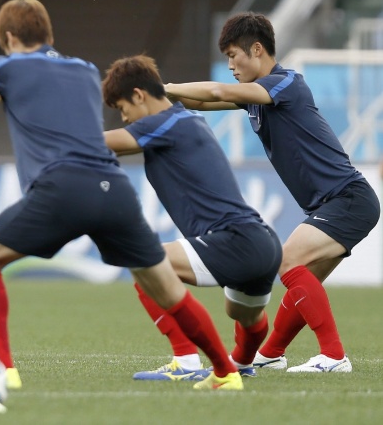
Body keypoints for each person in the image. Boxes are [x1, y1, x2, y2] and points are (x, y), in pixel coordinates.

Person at [0, 0, 242, 391]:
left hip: (61, 187)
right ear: (48, 34)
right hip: (114, 188)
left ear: (9, 38)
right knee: (165, 286)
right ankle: (225, 372)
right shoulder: (84, 69)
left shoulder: (7, 66)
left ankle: (4, 369)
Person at [165, 12, 380, 373]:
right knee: (302, 279)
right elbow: (202, 102)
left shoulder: (284, 83)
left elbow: (216, 91)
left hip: (349, 198)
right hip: (335, 203)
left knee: (286, 261)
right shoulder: (257, 98)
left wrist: (166, 87)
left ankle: (333, 356)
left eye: (234, 55)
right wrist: (162, 97)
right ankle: (269, 355)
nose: (230, 65)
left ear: (258, 49)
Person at [101, 55, 282, 381]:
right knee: (243, 315)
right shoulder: (187, 120)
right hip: (263, 244)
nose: (125, 118)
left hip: (236, 239)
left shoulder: (165, 123)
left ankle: (185, 360)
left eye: (122, 107)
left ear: (140, 95)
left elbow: (101, 144)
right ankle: (241, 362)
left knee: (144, 260)